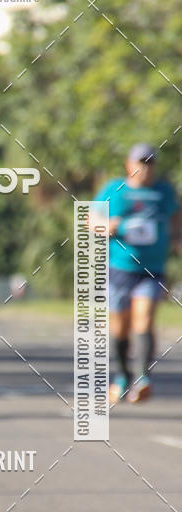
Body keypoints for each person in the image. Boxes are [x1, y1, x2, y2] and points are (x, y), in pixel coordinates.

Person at [94, 143, 180, 403]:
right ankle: (121, 376)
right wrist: (110, 225)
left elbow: (176, 222)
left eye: (150, 162)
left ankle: (143, 378)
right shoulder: (113, 189)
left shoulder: (164, 192)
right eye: (141, 162)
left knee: (144, 319)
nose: (145, 168)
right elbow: (91, 221)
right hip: (119, 268)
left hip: (151, 270)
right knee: (120, 327)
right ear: (129, 164)